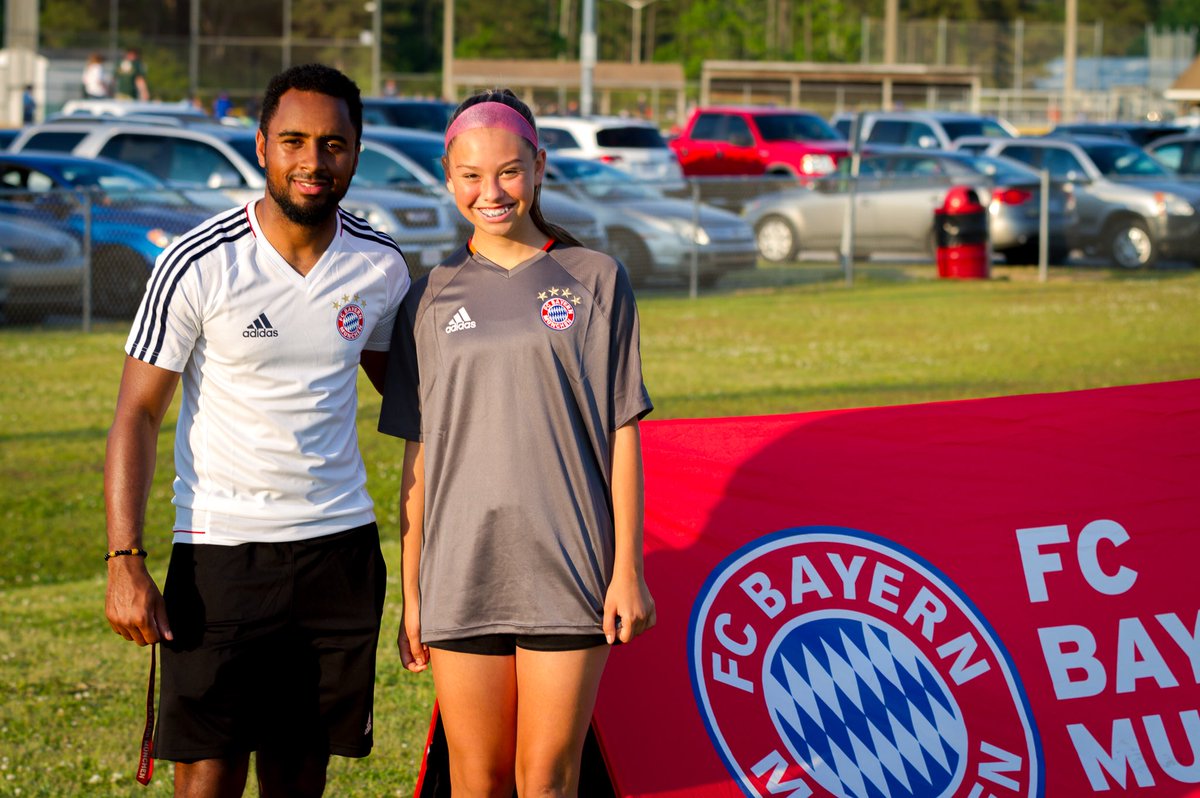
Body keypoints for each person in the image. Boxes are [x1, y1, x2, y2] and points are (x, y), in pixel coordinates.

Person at [103, 63, 410, 797]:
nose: (313, 161)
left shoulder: (380, 266)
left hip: (339, 552)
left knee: (300, 773)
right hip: (221, 555)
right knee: (207, 777)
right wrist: (124, 558)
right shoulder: (197, 262)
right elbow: (137, 414)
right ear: (262, 144)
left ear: (356, 151)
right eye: (294, 141)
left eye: (333, 144)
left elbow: (415, 400)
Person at [378, 87, 656, 797]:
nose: (491, 191)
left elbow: (622, 431)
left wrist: (627, 568)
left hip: (568, 566)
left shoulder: (595, 278)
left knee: (548, 779)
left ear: (537, 166)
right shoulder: (428, 295)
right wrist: (413, 594)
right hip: (461, 571)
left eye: (507, 171)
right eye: (471, 175)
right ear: (448, 177)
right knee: (477, 779)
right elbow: (420, 459)